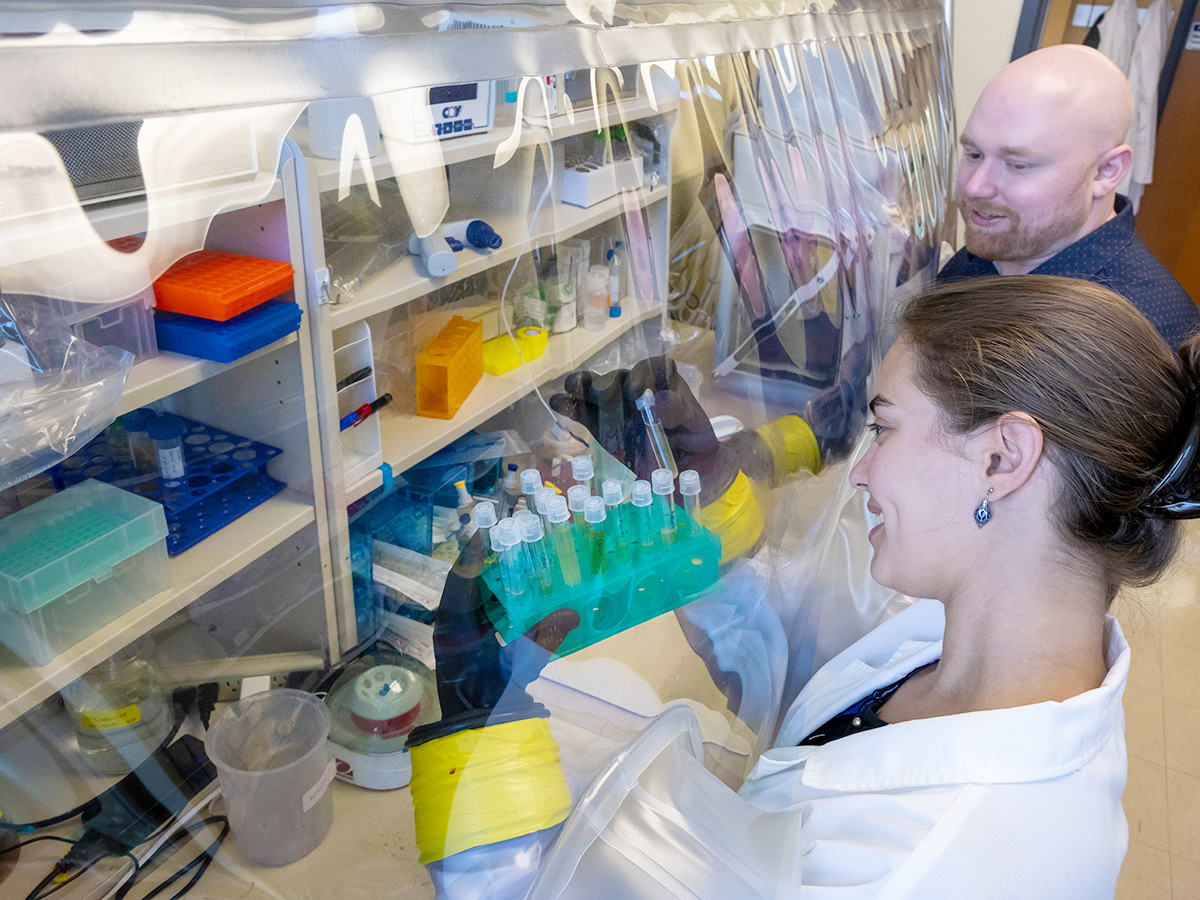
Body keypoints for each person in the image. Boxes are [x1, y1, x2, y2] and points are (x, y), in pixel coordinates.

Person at [403, 274, 1200, 898]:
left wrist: (480, 759)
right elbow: (801, 674)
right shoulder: (985, 645)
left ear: (1003, 457)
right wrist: (695, 494)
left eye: (884, 427)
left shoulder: (926, 869)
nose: (863, 470)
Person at [938, 44, 1199, 349]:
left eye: (1018, 165)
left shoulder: (1148, 336)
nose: (975, 187)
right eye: (973, 153)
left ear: (1106, 171)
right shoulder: (993, 249)